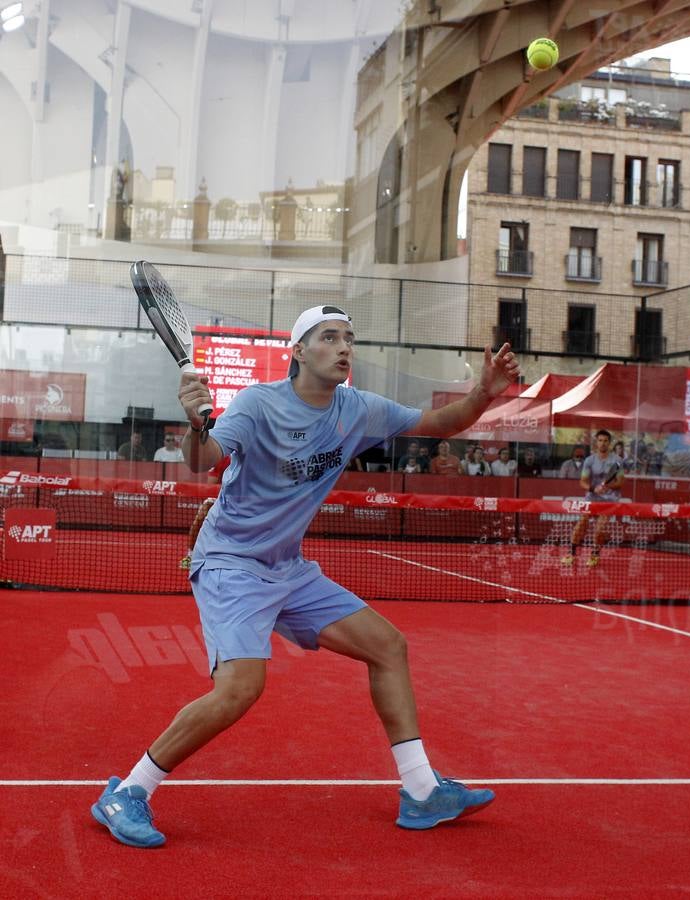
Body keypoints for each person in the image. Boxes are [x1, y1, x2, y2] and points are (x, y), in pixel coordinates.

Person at [91, 304, 519, 847]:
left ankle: (420, 791)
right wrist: (195, 421)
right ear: (297, 350)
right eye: (329, 337)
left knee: (387, 646)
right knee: (239, 690)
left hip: (288, 568)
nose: (344, 347)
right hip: (232, 564)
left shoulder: (357, 409)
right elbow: (204, 459)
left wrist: (485, 393)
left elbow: (440, 423)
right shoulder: (257, 404)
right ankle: (128, 792)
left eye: (349, 337)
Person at [561, 428, 625, 569]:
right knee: (581, 524)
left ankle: (595, 555)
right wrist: (593, 488)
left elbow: (620, 482)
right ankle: (571, 554)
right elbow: (583, 481)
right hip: (592, 498)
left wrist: (608, 486)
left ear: (610, 443)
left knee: (600, 530)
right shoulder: (589, 460)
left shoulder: (617, 460)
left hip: (609, 500)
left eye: (605, 441)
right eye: (600, 440)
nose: (602, 443)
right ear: (596, 443)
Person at [179, 455, 231, 571]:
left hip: (240, 500)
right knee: (199, 520)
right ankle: (190, 556)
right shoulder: (221, 458)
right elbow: (211, 485)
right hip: (219, 497)